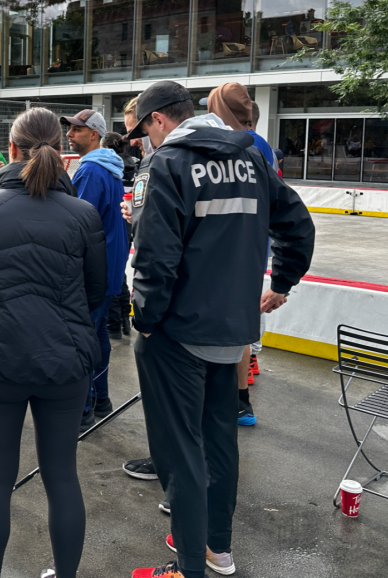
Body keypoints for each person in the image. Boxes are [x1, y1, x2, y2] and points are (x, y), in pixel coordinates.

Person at [124, 81, 315, 578]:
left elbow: (155, 258)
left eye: (145, 131)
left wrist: (144, 320)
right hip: (232, 327)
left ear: (159, 120)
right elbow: (298, 225)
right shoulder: (250, 159)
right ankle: (217, 551)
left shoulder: (166, 164)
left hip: (177, 332)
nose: (146, 141)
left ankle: (187, 567)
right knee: (219, 440)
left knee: (179, 450)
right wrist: (284, 280)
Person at [0, 107, 107, 578]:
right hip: (65, 359)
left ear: (11, 148)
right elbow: (96, 292)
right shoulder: (82, 213)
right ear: (59, 149)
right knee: (62, 475)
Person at [207, 84, 272, 425]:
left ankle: (228, 401)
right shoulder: (261, 146)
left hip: (225, 254)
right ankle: (241, 402)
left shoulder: (232, 145)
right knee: (241, 330)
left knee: (222, 333)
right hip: (252, 251)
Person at [62, 109, 128, 429]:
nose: (70, 135)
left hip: (92, 269)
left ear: (94, 134)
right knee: (98, 334)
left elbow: (78, 224)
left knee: (82, 337)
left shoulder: (90, 171)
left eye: (77, 130)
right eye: (70, 130)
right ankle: (100, 398)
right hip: (110, 267)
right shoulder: (111, 168)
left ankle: (84, 405)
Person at [102, 132, 134, 341]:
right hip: (130, 223)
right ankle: (124, 319)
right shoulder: (135, 164)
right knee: (119, 273)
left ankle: (114, 324)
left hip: (115, 221)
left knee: (110, 275)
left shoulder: (109, 167)